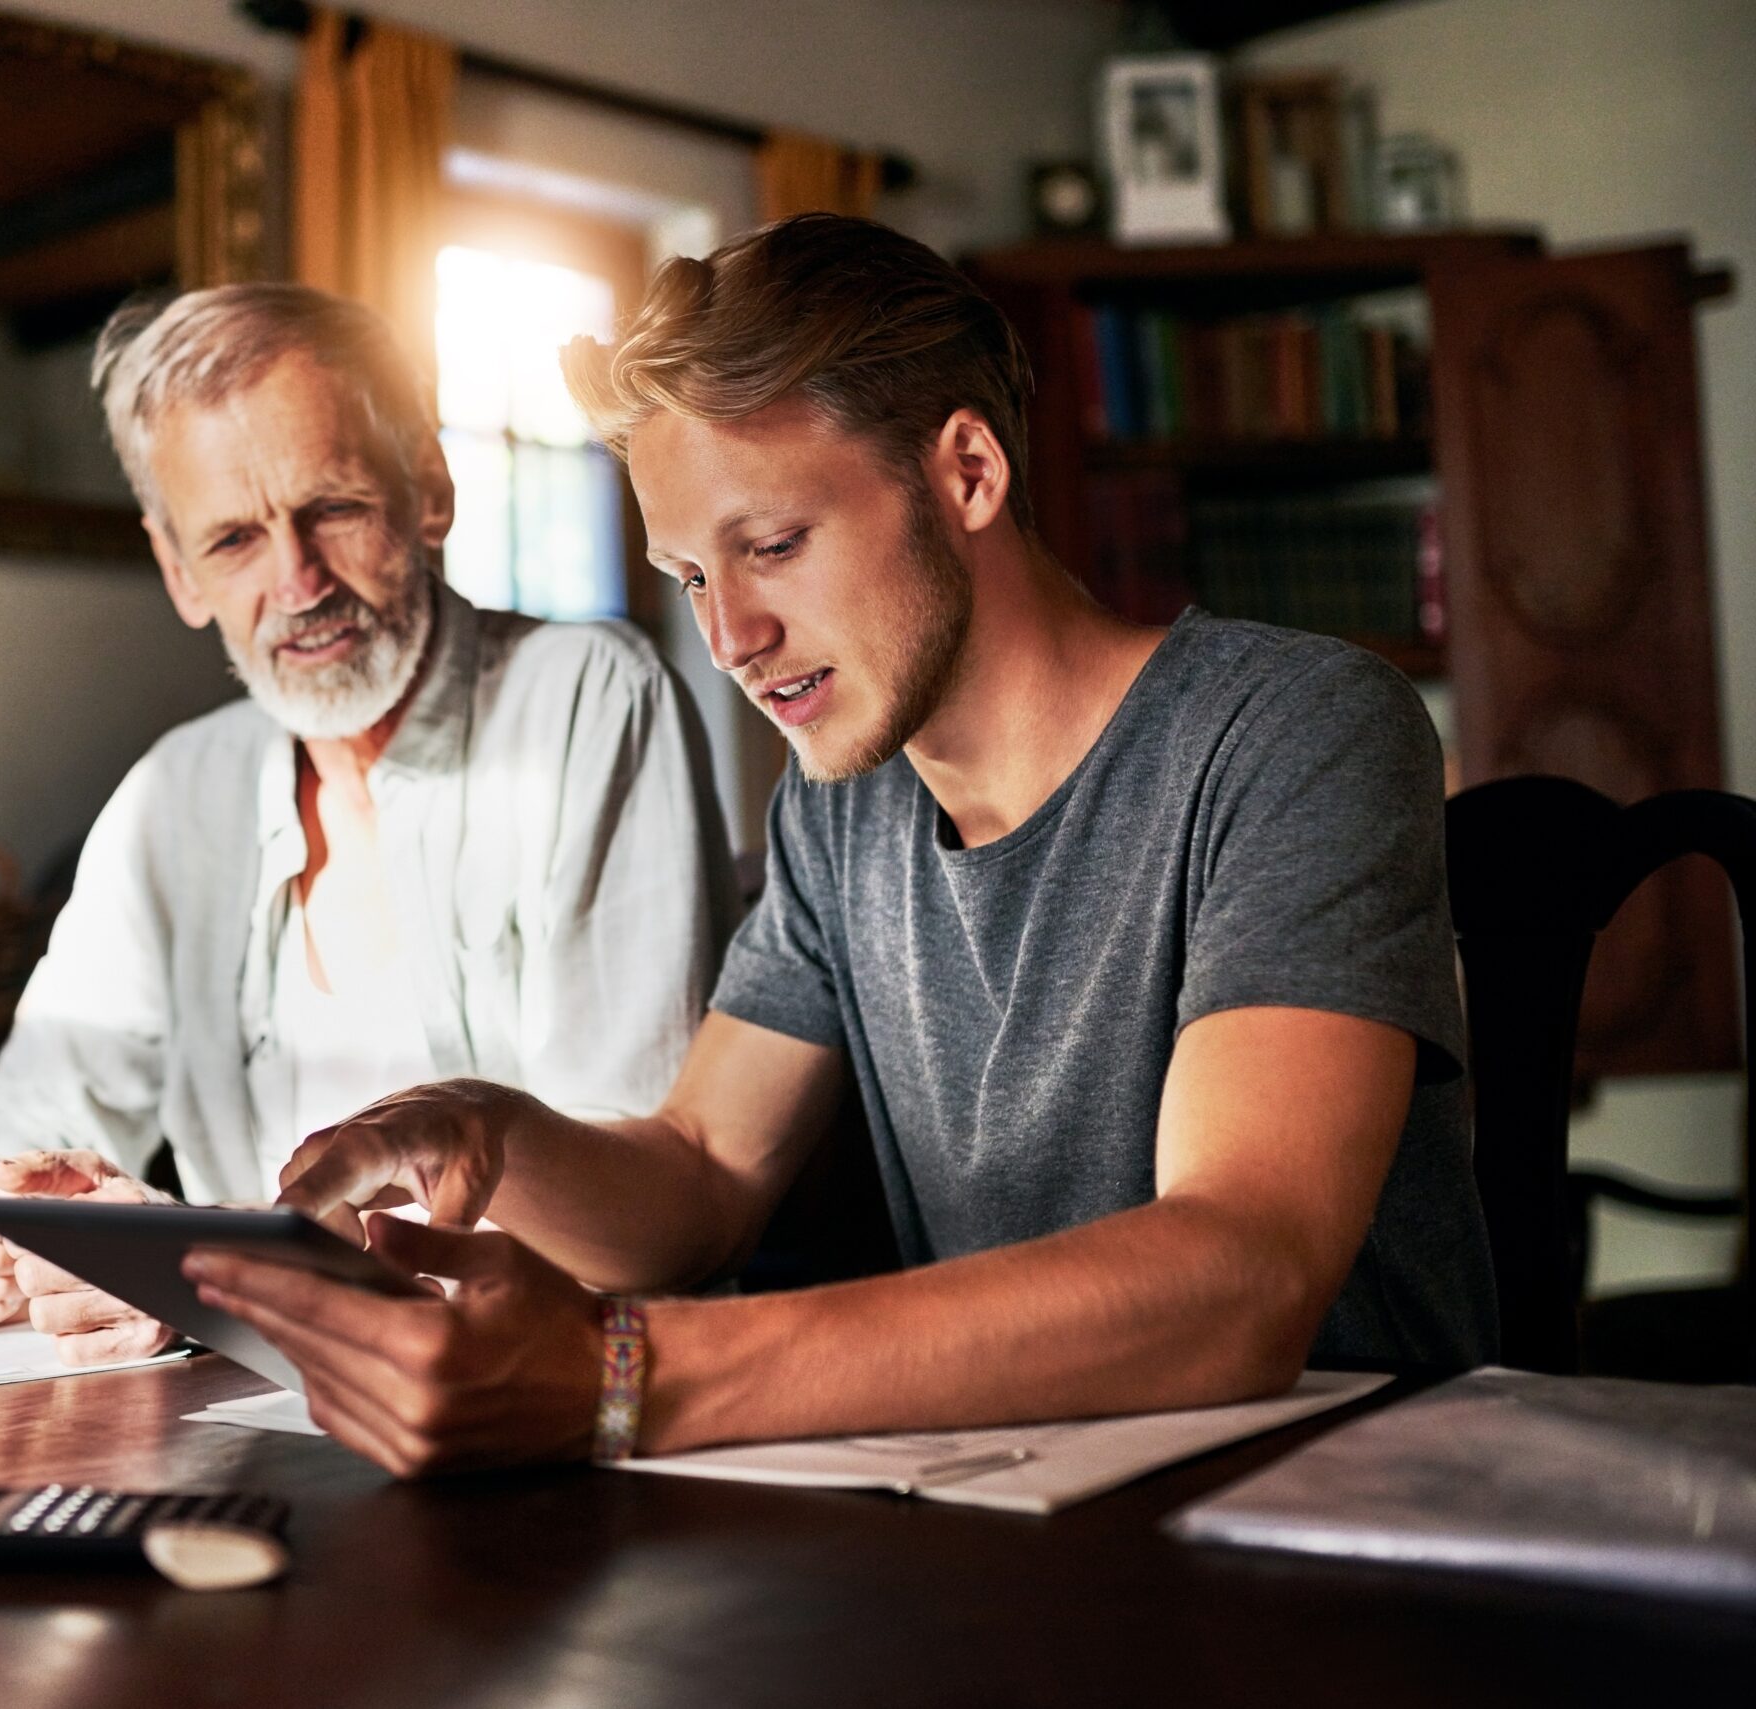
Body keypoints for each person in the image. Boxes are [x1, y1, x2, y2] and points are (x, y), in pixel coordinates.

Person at [186, 215, 1499, 1476]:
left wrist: (622, 1369)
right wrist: (478, 1126)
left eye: (773, 545)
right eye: (693, 576)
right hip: (1027, 1516)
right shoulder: (839, 809)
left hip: (1341, 1523)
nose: (729, 637)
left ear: (968, 473)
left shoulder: (1299, 730)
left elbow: (1241, 1272)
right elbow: (699, 1173)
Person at [0, 283, 736, 1366]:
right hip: (262, 1415)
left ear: (428, 489)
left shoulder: (588, 698)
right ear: (178, 570)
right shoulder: (173, 794)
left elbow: (632, 1215)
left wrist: (211, 1267)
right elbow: (28, 1108)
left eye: (333, 508)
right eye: (235, 538)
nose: (297, 581)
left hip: (558, 1402)